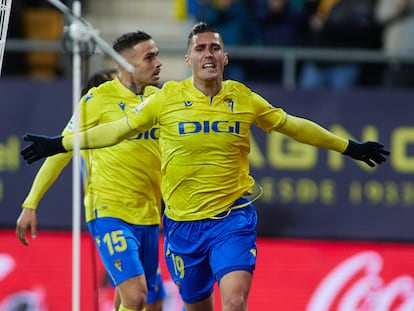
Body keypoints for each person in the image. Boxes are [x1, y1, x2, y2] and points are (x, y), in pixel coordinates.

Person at [20, 22, 390, 311]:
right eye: (200, 48)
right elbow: (116, 131)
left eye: (215, 47)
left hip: (232, 219)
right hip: (180, 226)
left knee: (232, 301)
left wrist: (349, 147)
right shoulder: (165, 99)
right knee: (189, 303)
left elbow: (291, 124)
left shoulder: (242, 98)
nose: (208, 54)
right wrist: (60, 143)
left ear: (225, 57)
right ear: (189, 60)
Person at [16, 31, 166, 311]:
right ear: (125, 64)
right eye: (150, 57)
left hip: (148, 213)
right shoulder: (97, 99)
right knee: (136, 296)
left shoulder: (159, 100)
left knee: (139, 301)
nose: (158, 63)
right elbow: (60, 151)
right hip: (109, 210)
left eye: (157, 55)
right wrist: (31, 202)